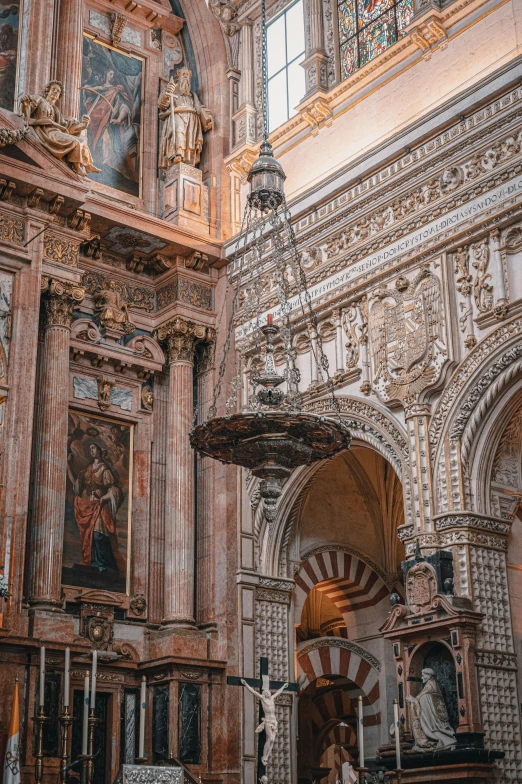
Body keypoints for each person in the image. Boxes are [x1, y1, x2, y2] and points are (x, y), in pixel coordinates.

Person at [67, 443, 126, 575]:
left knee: (99, 535)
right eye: (90, 449)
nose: (91, 450)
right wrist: (68, 465)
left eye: (93, 448)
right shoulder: (88, 469)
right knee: (90, 536)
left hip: (100, 507)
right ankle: (93, 562)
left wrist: (102, 499)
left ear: (99, 450)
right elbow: (76, 486)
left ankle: (105, 564)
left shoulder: (104, 469)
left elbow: (114, 490)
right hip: (89, 506)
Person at [19, 81, 101, 176]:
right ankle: (77, 167)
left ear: (58, 97)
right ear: (47, 91)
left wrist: (84, 125)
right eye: (53, 89)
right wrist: (25, 104)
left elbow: (66, 128)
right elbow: (26, 113)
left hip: (56, 131)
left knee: (81, 141)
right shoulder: (39, 99)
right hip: (46, 132)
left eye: (57, 91)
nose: (55, 92)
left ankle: (88, 165)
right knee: (75, 142)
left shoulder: (55, 110)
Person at [158, 66, 213, 168]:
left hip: (191, 119)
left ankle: (187, 160)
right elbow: (162, 105)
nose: (186, 77)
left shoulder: (192, 95)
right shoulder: (171, 90)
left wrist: (207, 117)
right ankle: (178, 155)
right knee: (179, 132)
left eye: (187, 75)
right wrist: (168, 93)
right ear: (178, 76)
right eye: (184, 75)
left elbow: (199, 107)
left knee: (189, 141)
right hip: (177, 115)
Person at [240, 677, 289, 766]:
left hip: (274, 721)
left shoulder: (272, 698)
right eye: (266, 692)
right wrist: (246, 684)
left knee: (273, 740)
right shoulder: (263, 698)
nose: (268, 693)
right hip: (268, 721)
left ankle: (266, 757)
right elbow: (253, 692)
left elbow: (278, 692)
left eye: (269, 692)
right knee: (270, 738)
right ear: (264, 693)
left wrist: (283, 686)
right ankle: (264, 756)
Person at [406, 668, 456, 751]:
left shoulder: (428, 690)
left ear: (429, 676)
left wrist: (412, 701)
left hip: (432, 726)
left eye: (423, 675)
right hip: (439, 724)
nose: (421, 678)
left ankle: (435, 739)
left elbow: (420, 702)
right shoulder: (434, 687)